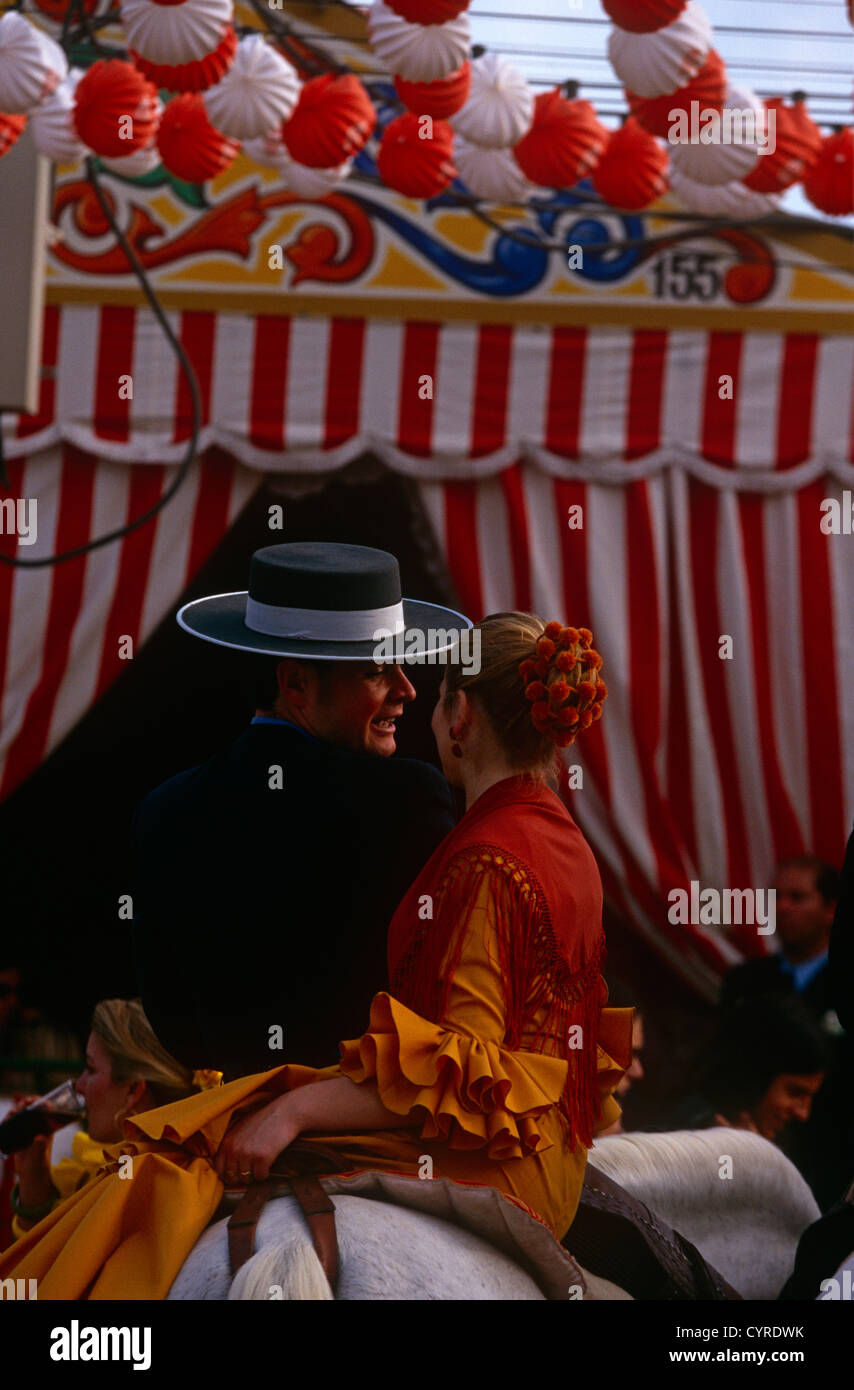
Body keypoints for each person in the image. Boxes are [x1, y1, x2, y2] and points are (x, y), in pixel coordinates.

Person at [0, 614, 631, 1299]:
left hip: (486, 1156)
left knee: (157, 1172)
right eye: (378, 670)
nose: (411, 694)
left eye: (436, 686)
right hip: (549, 1155)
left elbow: (460, 1066)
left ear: (462, 716)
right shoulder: (557, 838)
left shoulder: (484, 857)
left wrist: (288, 1112)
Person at [131, 541, 469, 1079]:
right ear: (295, 684)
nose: (406, 690)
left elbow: (171, 1017)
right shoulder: (407, 801)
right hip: (368, 1144)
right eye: (377, 672)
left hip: (220, 1134)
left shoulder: (162, 808)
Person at [4, 999, 214, 1244]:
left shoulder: (132, 1184)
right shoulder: (163, 1170)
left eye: (91, 1069)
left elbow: (54, 1276)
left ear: (133, 1090)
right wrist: (34, 1180)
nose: (79, 1085)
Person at [664, 995, 831, 1147]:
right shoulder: (681, 1135)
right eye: (795, 1092)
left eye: (810, 1097)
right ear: (752, 1079)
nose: (803, 1114)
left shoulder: (776, 1148)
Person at [719, 856, 839, 1024]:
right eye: (775, 897)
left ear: (831, 910)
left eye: (797, 897)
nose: (782, 908)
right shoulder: (744, 982)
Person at [0, 962, 82, 1094]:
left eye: (19, 992)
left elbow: (66, 1097)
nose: (12, 1001)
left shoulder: (45, 1036)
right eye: (3, 992)